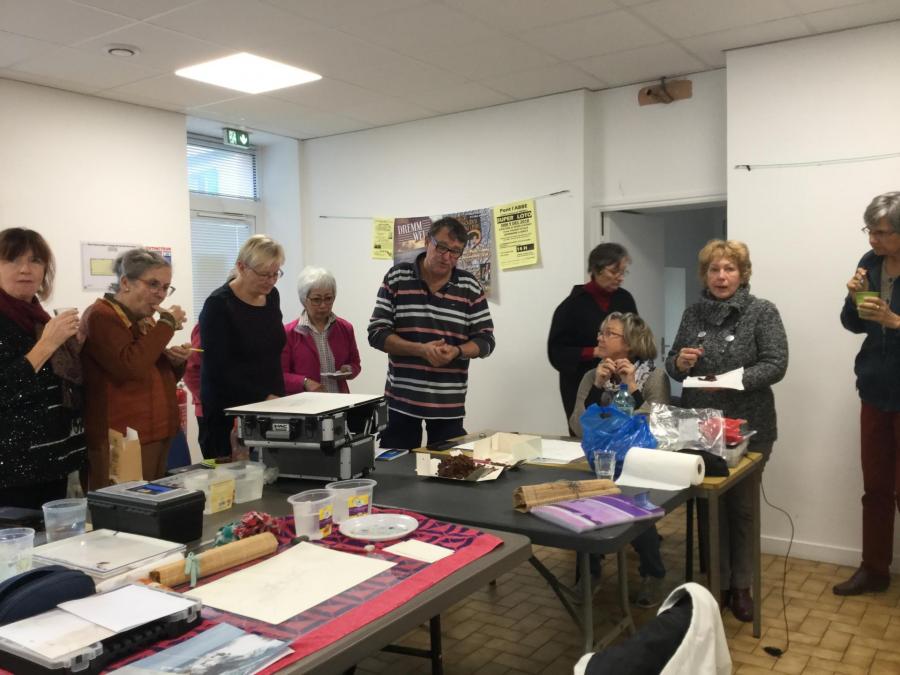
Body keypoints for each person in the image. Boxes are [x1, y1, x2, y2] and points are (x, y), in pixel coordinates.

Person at [665, 239, 788, 622]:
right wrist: (680, 363)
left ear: (742, 273)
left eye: (729, 269)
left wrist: (732, 380)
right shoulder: (693, 314)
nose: (721, 277)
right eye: (714, 270)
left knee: (742, 509)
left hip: (749, 426)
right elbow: (672, 363)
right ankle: (714, 585)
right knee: (708, 507)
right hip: (700, 426)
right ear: (705, 275)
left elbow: (776, 363)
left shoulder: (762, 311)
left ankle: (742, 586)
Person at [570, 312, 671, 608]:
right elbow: (577, 426)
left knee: (636, 508)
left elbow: (655, 427)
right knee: (583, 507)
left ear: (630, 343)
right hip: (598, 462)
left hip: (638, 462)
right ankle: (589, 574)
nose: (599, 338)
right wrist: (598, 388)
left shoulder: (654, 377)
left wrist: (632, 389)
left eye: (608, 333)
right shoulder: (592, 376)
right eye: (600, 332)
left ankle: (653, 574)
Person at [368, 217, 495, 449]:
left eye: (455, 252)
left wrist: (457, 351)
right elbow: (376, 333)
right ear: (428, 242)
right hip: (400, 403)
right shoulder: (397, 277)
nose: (447, 257)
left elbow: (486, 341)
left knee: (450, 468)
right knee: (397, 468)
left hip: (448, 406)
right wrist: (420, 350)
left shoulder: (469, 286)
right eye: (442, 247)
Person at [834, 192, 900, 596]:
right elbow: (854, 323)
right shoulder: (869, 262)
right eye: (869, 230)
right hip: (875, 390)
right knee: (875, 488)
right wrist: (853, 296)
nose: (872, 239)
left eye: (881, 232)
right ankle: (874, 570)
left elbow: (888, 322)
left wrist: (896, 321)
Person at [81, 248, 188, 488]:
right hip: (121, 436)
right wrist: (167, 324)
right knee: (126, 505)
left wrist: (175, 362)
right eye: (153, 284)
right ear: (125, 283)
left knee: (155, 504)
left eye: (165, 287)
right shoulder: (101, 316)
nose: (161, 294)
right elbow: (130, 367)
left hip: (157, 431)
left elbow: (152, 371)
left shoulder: (145, 319)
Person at [0, 228, 86, 508]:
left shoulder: (39, 317)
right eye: (12, 260)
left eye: (35, 260)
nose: (25, 269)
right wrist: (47, 344)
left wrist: (72, 348)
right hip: (11, 472)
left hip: (54, 461)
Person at [199, 234, 286, 460]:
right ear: (241, 267)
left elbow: (271, 354)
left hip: (269, 405)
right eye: (264, 274)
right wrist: (264, 397)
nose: (271, 281)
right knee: (233, 477)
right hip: (228, 412)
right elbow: (218, 370)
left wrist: (277, 399)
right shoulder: (218, 305)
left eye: (275, 274)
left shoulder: (271, 297)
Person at [549, 243, 636, 433]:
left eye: (623, 272)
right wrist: (594, 352)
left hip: (619, 378)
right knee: (587, 431)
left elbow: (635, 338)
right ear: (597, 269)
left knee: (624, 430)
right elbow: (556, 352)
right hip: (581, 382)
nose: (620, 277)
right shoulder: (571, 306)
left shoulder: (625, 300)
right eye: (614, 271)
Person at [282, 266, 361, 394]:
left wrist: (349, 369)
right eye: (316, 300)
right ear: (304, 299)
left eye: (328, 298)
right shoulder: (288, 333)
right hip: (306, 403)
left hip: (340, 401)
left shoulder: (345, 328)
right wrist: (305, 382)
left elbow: (355, 363)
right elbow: (281, 376)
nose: (323, 305)